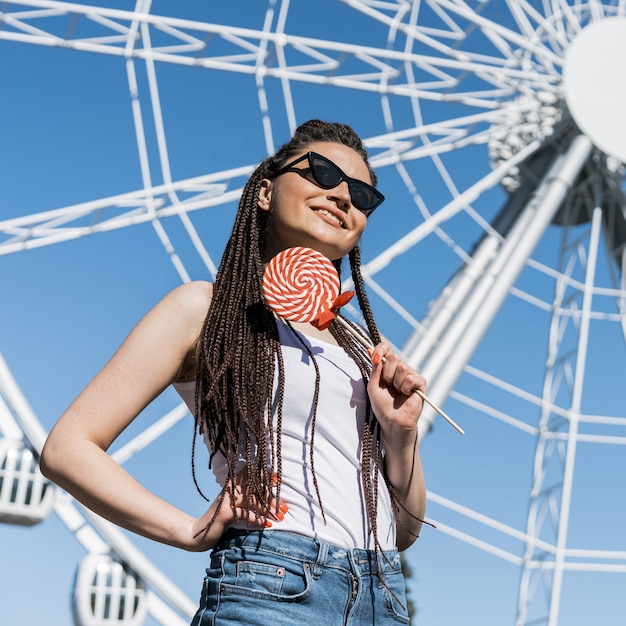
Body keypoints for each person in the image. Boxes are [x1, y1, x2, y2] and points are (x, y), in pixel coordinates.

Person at [40, 119, 428, 625]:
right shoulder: (206, 310)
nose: (342, 196)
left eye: (362, 194)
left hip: (383, 595)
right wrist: (188, 530)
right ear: (265, 191)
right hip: (274, 581)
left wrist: (401, 433)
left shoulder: (363, 345)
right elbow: (67, 448)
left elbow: (403, 528)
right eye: (323, 173)